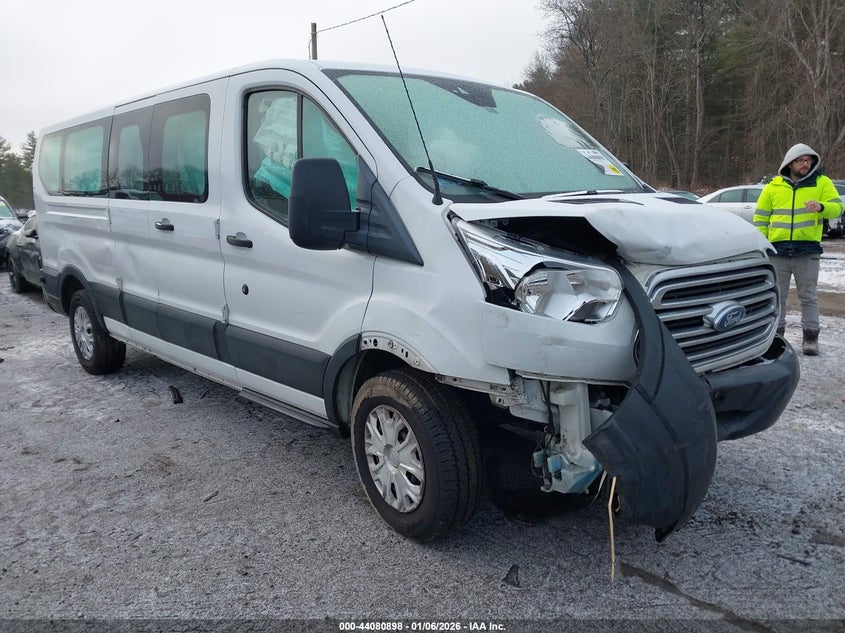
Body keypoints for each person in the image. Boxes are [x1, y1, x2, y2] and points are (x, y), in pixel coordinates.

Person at [753, 143, 843, 355]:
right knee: (777, 296)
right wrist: (763, 246)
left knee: (809, 296)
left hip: (807, 250)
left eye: (809, 160)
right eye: (802, 160)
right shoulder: (773, 187)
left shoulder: (822, 183)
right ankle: (776, 337)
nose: (806, 164)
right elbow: (761, 219)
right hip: (778, 251)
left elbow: (838, 208)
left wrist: (821, 207)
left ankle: (810, 338)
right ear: (790, 162)